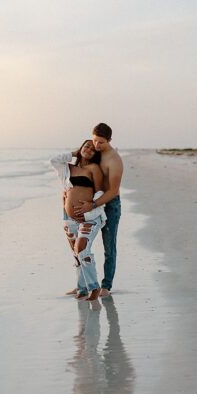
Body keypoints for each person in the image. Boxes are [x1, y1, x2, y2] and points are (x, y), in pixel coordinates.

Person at [69, 123, 124, 297]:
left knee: (109, 246)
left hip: (109, 205)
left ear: (109, 141)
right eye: (94, 141)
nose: (97, 146)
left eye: (101, 142)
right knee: (81, 246)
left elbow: (113, 191)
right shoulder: (93, 151)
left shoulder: (114, 160)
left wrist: (93, 205)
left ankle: (106, 286)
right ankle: (83, 285)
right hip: (89, 205)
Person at [50, 139, 106, 301]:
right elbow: (53, 160)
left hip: (89, 217)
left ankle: (94, 287)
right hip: (69, 219)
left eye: (92, 149)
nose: (89, 149)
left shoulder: (94, 168)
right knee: (76, 254)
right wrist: (73, 154)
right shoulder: (68, 168)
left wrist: (90, 206)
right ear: (80, 147)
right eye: (86, 146)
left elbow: (100, 192)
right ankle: (81, 288)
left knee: (82, 249)